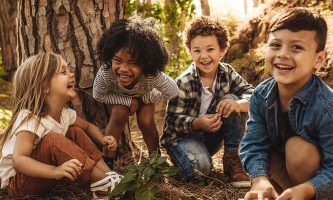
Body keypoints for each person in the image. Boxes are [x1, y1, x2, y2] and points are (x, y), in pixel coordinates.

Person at [239, 7, 333, 200]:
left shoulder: (327, 107)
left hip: (319, 184)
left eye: (296, 47)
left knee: (297, 149)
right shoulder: (261, 95)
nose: (283, 54)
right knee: (264, 153)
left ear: (319, 59)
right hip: (286, 175)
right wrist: (259, 180)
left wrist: (307, 189)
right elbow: (254, 143)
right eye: (275, 45)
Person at [0, 53, 123, 199]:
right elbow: (19, 160)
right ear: (44, 86)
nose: (71, 75)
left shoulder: (66, 114)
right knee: (54, 140)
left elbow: (88, 127)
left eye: (69, 71)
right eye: (63, 72)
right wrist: (54, 171)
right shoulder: (31, 119)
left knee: (75, 132)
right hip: (17, 184)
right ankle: (106, 185)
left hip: (41, 177)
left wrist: (102, 139)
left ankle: (108, 176)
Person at [160, 15, 254, 187]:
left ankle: (232, 158)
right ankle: (189, 160)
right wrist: (197, 123)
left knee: (232, 100)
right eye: (197, 50)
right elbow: (172, 120)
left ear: (222, 50)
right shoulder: (184, 82)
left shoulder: (227, 73)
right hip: (182, 139)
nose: (204, 56)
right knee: (200, 169)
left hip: (211, 137)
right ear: (190, 52)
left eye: (210, 49)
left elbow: (253, 94)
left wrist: (239, 104)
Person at [93, 16, 179, 170]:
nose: (124, 69)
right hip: (118, 98)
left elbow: (172, 91)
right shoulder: (106, 72)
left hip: (144, 97)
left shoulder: (152, 75)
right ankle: (107, 164)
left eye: (133, 63)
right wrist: (127, 101)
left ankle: (155, 161)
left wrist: (144, 98)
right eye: (118, 61)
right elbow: (98, 95)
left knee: (146, 121)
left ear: (145, 63)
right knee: (119, 114)